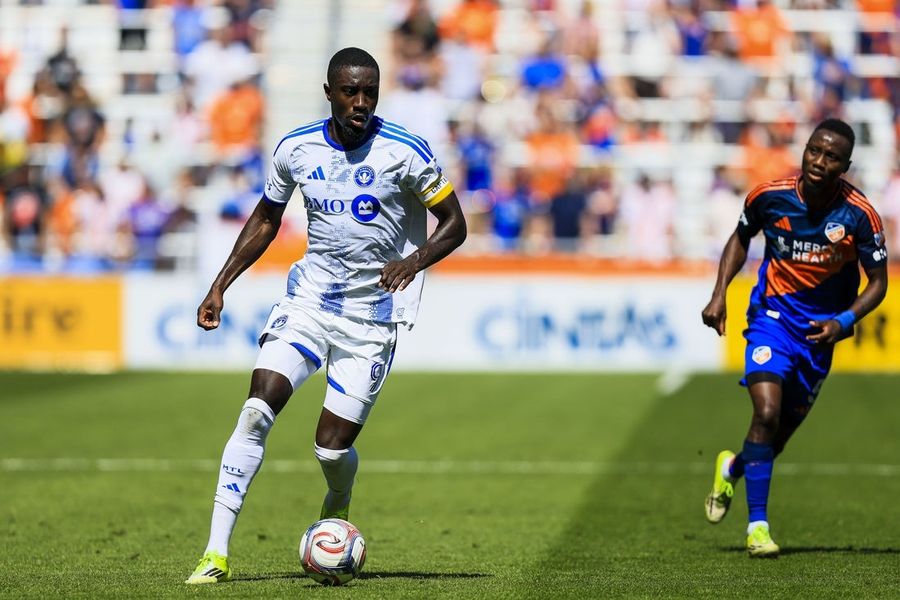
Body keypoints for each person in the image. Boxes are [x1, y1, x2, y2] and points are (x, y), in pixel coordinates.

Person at [185, 46, 467, 584]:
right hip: (309, 303)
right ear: (330, 92)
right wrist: (219, 285)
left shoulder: (405, 152)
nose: (361, 102)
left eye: (370, 93)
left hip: (371, 319)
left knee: (330, 448)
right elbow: (267, 218)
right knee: (255, 410)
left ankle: (338, 499)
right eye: (350, 91)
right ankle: (215, 554)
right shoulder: (296, 148)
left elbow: (454, 224)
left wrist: (411, 262)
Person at [700, 119, 888, 558]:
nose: (820, 162)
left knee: (775, 437)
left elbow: (878, 283)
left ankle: (731, 467)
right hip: (772, 319)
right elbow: (740, 237)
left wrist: (843, 320)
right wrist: (719, 294)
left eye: (832, 157)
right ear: (805, 150)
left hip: (819, 334)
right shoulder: (771, 196)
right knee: (765, 412)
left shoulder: (859, 215)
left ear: (846, 165)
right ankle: (758, 528)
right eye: (815, 151)